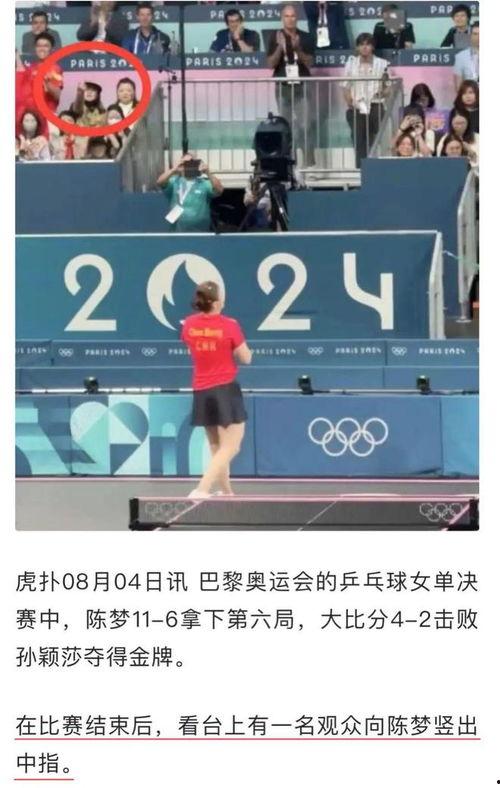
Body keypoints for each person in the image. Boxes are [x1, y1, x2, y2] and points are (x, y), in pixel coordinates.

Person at [181, 281, 252, 498]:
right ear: (217, 302)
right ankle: (201, 489)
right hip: (225, 389)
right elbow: (246, 358)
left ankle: (226, 492)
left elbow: (192, 347)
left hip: (201, 390)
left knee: (216, 445)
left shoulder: (189, 324)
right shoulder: (230, 325)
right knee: (231, 447)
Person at [267, 4, 316, 166]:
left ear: (297, 18)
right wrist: (280, 48)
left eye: (293, 16)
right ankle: (288, 165)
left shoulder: (306, 37)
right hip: (283, 86)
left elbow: (309, 63)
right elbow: (270, 64)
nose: (290, 19)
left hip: (302, 86)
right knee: (285, 127)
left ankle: (309, 165)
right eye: (287, 16)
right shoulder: (274, 36)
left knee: (306, 125)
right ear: (282, 18)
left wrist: (297, 48)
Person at [342, 33, 390, 168]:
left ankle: (376, 168)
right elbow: (345, 86)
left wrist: (383, 92)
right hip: (357, 106)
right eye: (361, 44)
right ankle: (361, 168)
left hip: (376, 104)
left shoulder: (383, 64)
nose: (364, 47)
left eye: (368, 44)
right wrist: (350, 102)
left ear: (372, 47)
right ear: (357, 47)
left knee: (375, 138)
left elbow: (388, 87)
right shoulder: (350, 64)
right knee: (359, 139)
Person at [157, 153, 224, 233]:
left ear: (196, 164)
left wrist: (208, 172)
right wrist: (173, 169)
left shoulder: (204, 183)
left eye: (191, 163)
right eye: (185, 163)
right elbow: (159, 182)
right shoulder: (174, 181)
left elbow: (219, 190)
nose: (188, 166)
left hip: (200, 230)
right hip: (177, 230)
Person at [16, 34, 63, 136]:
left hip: (47, 118)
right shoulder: (31, 68)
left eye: (46, 46)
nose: (42, 48)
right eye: (39, 45)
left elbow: (57, 95)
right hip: (29, 119)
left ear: (52, 49)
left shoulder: (54, 69)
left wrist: (47, 82)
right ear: (35, 48)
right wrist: (16, 55)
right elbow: (21, 77)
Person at [453, 21, 479, 91]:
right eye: (475, 34)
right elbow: (459, 88)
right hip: (470, 96)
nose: (479, 37)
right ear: (470, 36)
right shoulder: (460, 57)